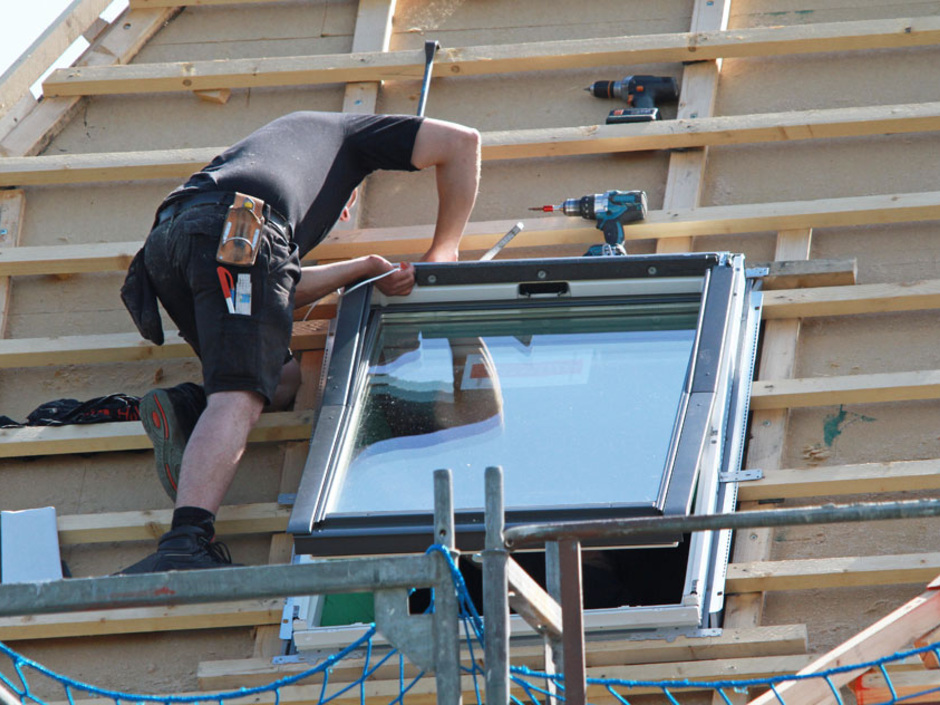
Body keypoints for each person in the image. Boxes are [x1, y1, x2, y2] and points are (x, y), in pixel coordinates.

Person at [118, 111, 481, 573]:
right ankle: (185, 542)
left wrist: (362, 267)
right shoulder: (351, 135)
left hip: (172, 241)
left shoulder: (276, 153)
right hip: (238, 231)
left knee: (280, 376)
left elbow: (273, 284)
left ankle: (190, 407)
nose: (337, 216)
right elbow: (462, 143)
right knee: (239, 394)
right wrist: (443, 252)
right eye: (341, 211)